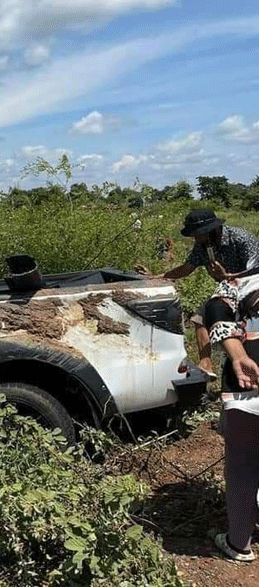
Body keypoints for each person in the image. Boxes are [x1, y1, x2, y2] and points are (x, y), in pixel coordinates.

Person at [162, 209, 259, 377]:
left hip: (252, 287)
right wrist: (162, 277)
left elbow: (255, 270)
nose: (196, 239)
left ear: (212, 230)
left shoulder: (241, 238)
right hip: (229, 291)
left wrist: (227, 275)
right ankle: (206, 363)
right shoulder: (203, 245)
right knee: (200, 317)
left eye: (199, 234)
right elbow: (188, 267)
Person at [205, 275, 259, 561]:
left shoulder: (241, 281)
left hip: (248, 382)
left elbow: (217, 310)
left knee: (242, 463)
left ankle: (239, 542)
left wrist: (237, 355)